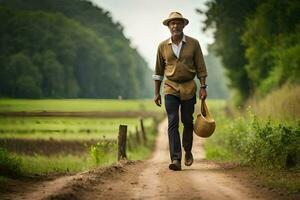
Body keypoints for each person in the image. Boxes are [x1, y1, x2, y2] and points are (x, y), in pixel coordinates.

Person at [153, 12, 208, 171]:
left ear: (184, 25)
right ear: (168, 26)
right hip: (170, 87)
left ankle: (188, 151)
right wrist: (156, 93)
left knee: (187, 121)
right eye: (172, 23)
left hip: (189, 87)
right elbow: (158, 72)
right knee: (172, 121)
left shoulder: (194, 44)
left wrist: (203, 87)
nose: (175, 26)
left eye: (178, 23)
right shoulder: (162, 46)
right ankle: (176, 158)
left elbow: (201, 69)